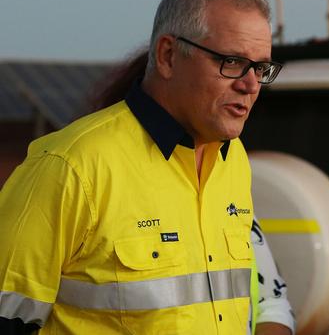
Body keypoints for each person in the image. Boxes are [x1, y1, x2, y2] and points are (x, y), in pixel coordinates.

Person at [0, 0, 290, 335]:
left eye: (261, 68)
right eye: (231, 61)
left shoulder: (233, 160)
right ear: (168, 55)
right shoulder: (70, 165)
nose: (249, 85)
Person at [90, 49, 295, 335]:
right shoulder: (84, 170)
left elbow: (271, 302)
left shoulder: (230, 167)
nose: (248, 87)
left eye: (259, 71)